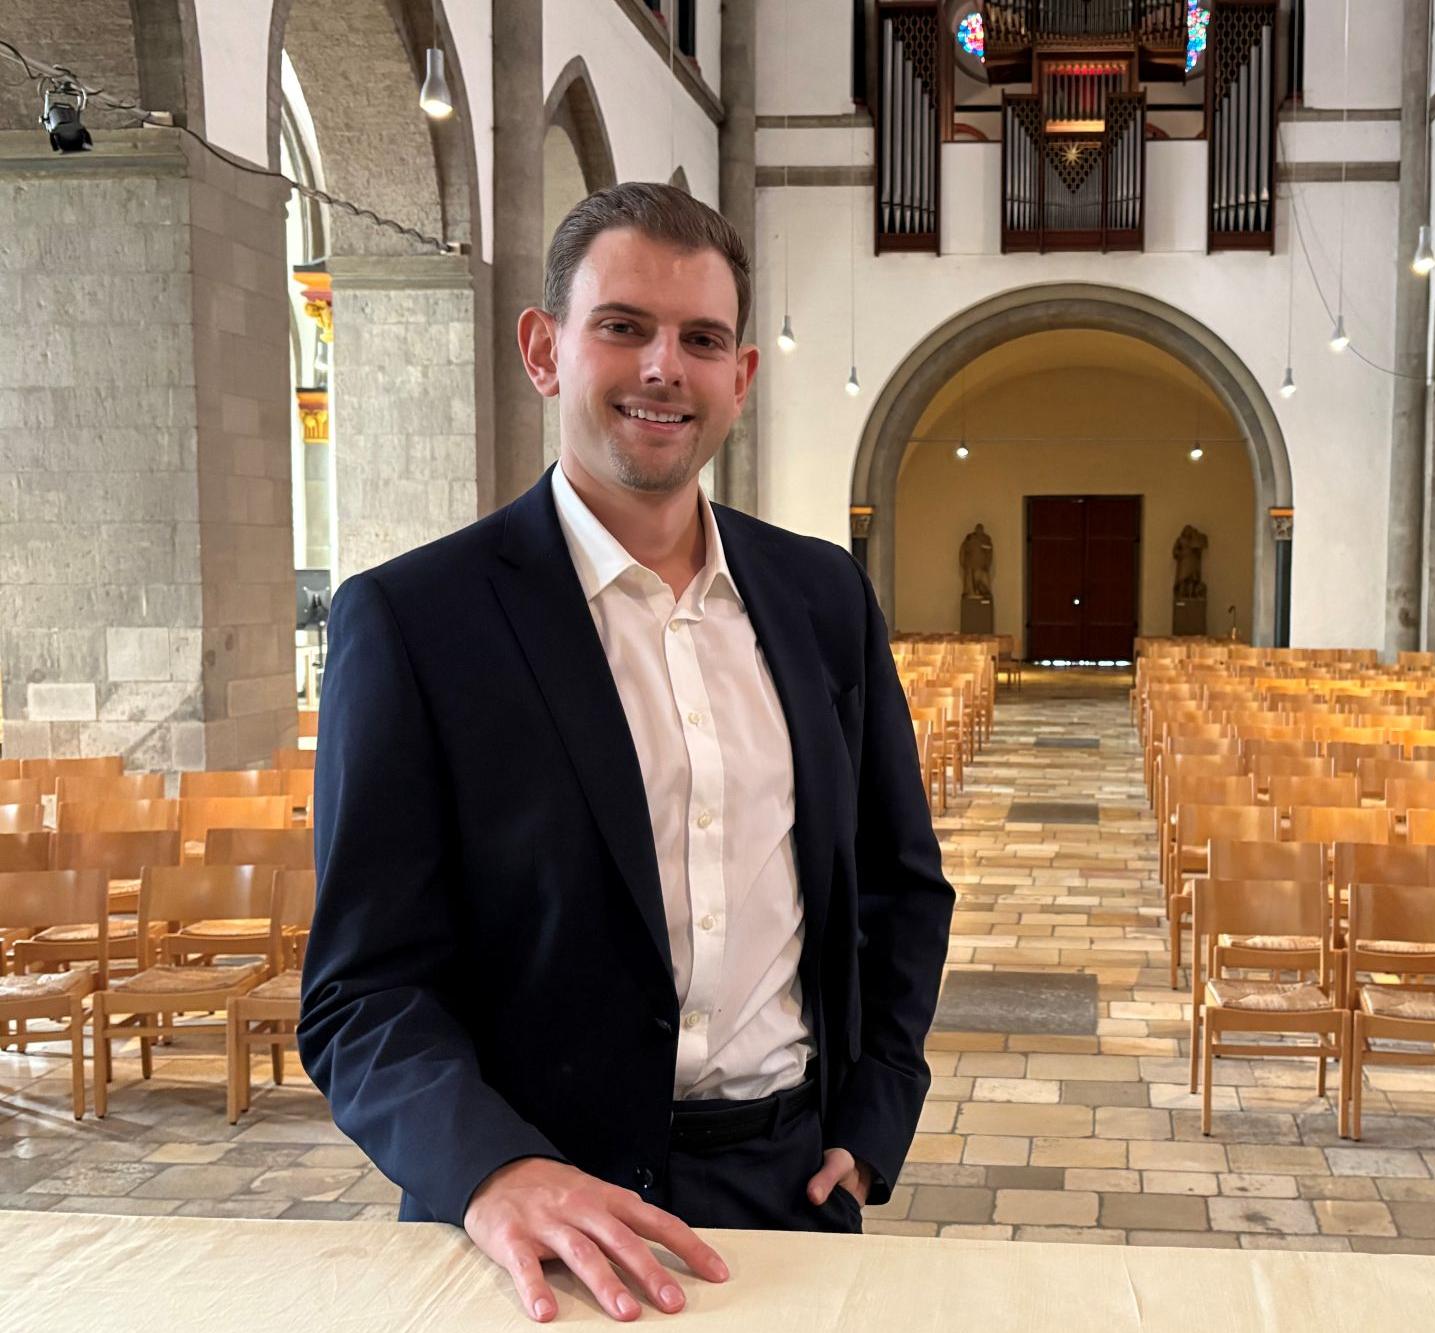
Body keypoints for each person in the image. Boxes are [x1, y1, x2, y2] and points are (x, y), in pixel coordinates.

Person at [300, 182, 954, 1324]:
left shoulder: (819, 597)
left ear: (739, 379)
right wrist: (491, 1169)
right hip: (538, 1206)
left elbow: (899, 882)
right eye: (623, 327)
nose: (664, 367)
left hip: (784, 1184)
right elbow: (364, 992)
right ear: (544, 349)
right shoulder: (414, 620)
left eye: (700, 339)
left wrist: (873, 1110)